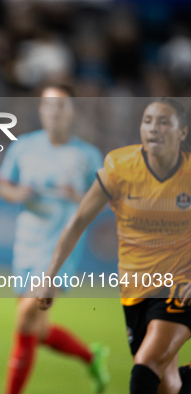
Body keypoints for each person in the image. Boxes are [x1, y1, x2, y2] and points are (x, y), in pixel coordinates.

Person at [38, 97, 191, 394]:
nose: (153, 129)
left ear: (182, 132)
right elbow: (78, 221)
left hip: (179, 285)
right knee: (165, 383)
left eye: (163, 122)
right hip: (135, 287)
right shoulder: (120, 166)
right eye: (148, 121)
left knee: (145, 365)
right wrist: (50, 276)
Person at [0, 85, 110, 394]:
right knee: (38, 328)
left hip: (60, 250)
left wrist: (81, 198)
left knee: (24, 320)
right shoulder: (23, 147)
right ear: (41, 111)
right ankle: (92, 357)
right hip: (27, 244)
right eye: (48, 106)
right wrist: (20, 193)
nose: (54, 112)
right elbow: (5, 187)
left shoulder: (88, 155)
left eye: (61, 106)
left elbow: (104, 201)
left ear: (71, 111)